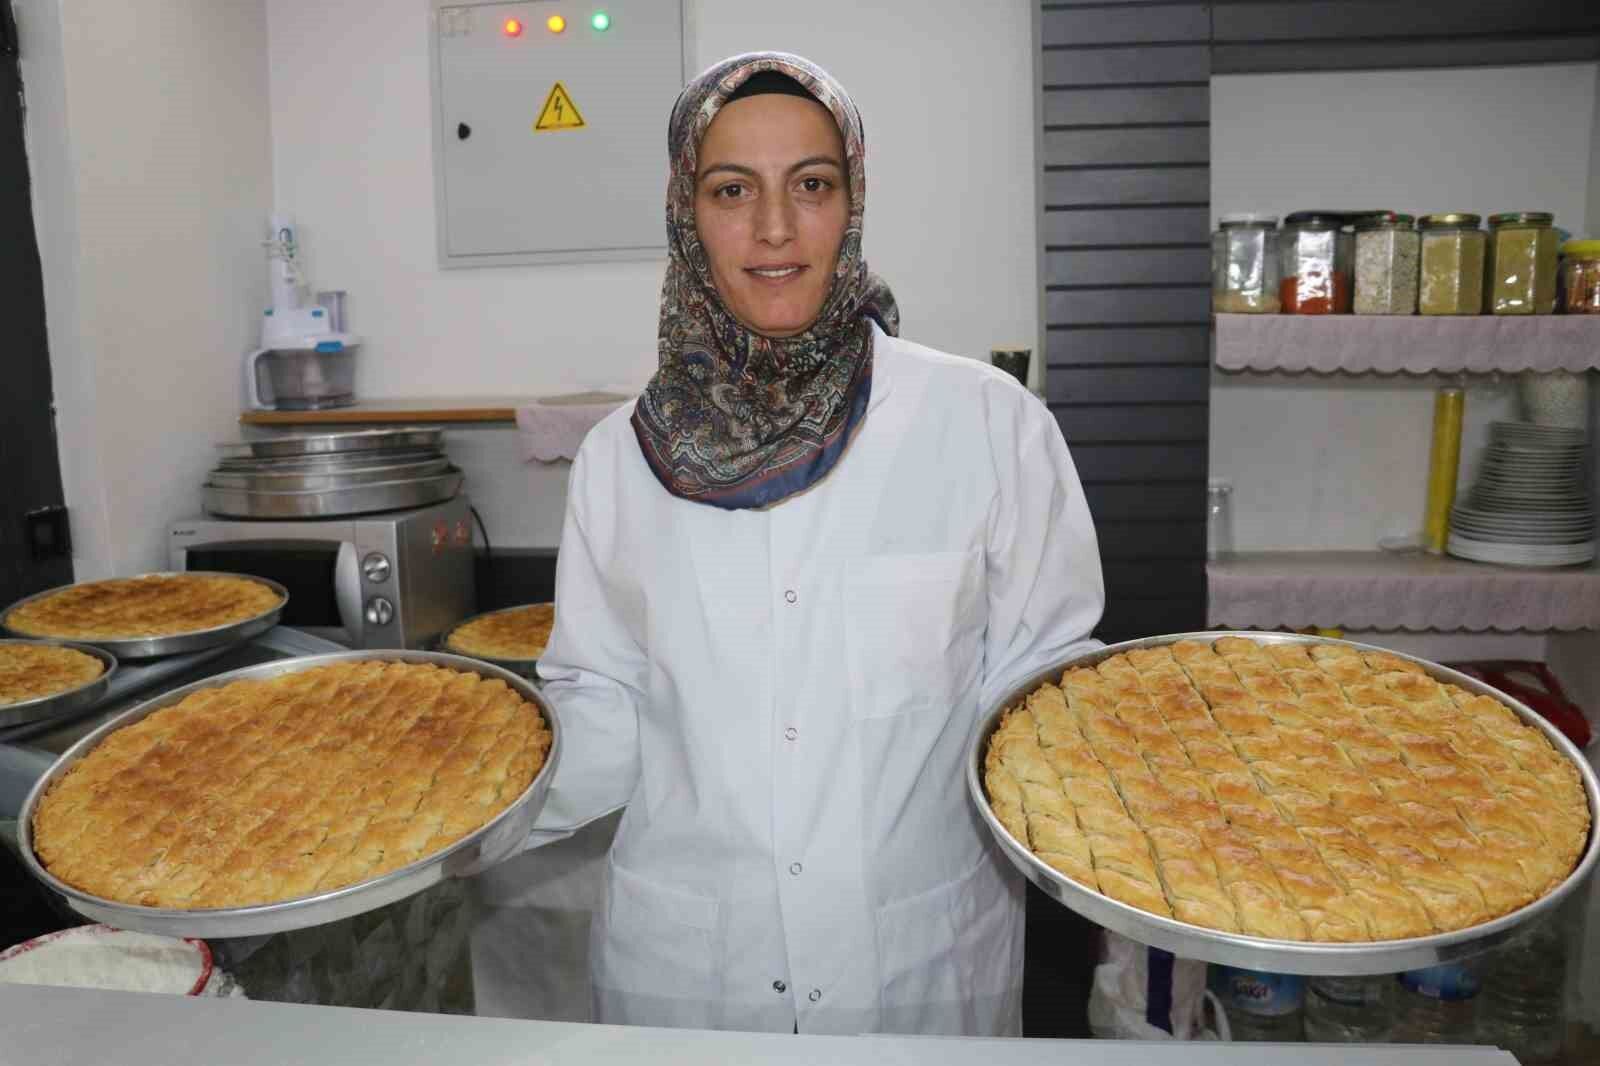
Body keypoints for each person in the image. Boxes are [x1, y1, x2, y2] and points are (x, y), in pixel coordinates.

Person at [531, 51, 1104, 1036]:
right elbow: (599, 707)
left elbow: (1046, 705)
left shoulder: (985, 425)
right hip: (686, 980)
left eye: (811, 184)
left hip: (925, 970)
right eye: (729, 190)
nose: (773, 229)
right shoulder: (619, 460)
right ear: (684, 209)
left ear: (854, 198)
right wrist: (443, 809)